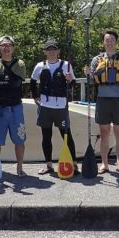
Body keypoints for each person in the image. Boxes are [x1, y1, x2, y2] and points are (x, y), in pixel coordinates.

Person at [87, 29, 119, 174]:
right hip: (103, 99)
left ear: (116, 42)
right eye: (107, 39)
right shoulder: (96, 60)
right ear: (103, 42)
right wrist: (88, 74)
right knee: (104, 132)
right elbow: (91, 81)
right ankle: (104, 164)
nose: (109, 42)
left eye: (112, 39)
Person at [30, 39, 77, 176]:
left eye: (54, 49)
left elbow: (72, 83)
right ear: (45, 52)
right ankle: (49, 165)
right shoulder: (40, 65)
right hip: (45, 106)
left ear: (58, 51)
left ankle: (73, 164)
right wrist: (35, 96)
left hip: (61, 106)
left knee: (66, 135)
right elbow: (33, 81)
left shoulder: (66, 65)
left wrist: (70, 80)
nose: (51, 52)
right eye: (48, 49)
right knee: (46, 136)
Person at [0, 35, 27, 177]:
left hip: (15, 107)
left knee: (19, 139)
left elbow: (16, 84)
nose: (6, 48)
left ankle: (20, 167)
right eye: (3, 45)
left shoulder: (19, 64)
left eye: (9, 45)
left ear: (13, 47)